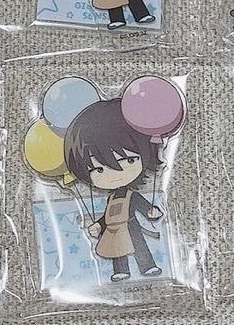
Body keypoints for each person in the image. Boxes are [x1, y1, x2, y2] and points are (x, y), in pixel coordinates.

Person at [64, 98, 165, 280]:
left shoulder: (131, 195)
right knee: (116, 249)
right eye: (98, 169)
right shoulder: (110, 198)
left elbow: (141, 204)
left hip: (131, 226)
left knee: (139, 245)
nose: (114, 174)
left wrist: (150, 211)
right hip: (113, 229)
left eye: (128, 160)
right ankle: (121, 270)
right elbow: (107, 216)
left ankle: (148, 266)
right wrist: (99, 225)